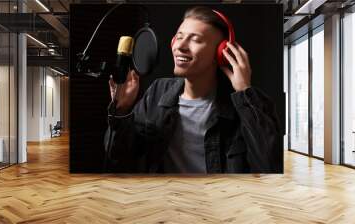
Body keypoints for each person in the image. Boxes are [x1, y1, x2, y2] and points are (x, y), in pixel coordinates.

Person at [104, 6, 282, 173]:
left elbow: (269, 165)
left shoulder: (247, 106)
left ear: (221, 53)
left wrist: (244, 91)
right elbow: (119, 157)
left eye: (195, 39)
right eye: (179, 37)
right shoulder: (158, 91)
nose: (180, 46)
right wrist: (122, 111)